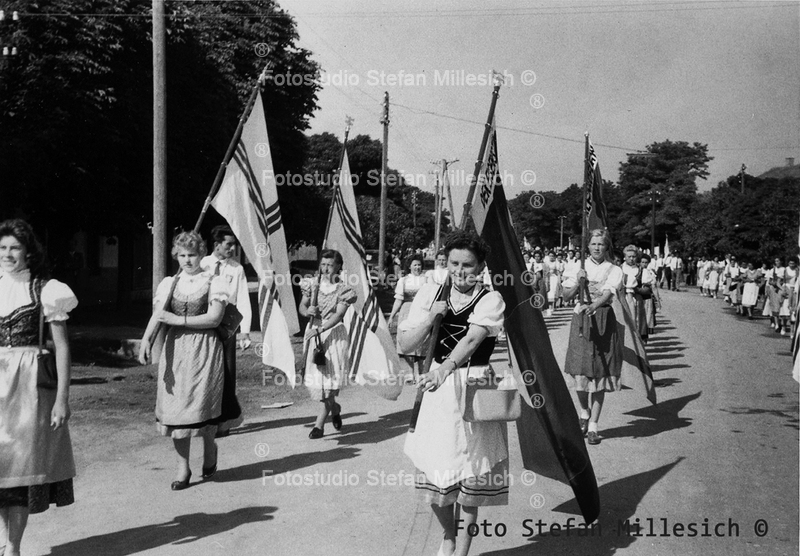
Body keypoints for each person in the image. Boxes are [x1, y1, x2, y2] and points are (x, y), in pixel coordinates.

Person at [399, 231, 507, 556]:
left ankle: (461, 552)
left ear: (481, 267)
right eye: (454, 264)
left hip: (474, 389)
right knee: (435, 473)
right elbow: (405, 344)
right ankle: (448, 533)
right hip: (437, 396)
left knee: (471, 479)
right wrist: (432, 318)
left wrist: (444, 368)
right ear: (446, 262)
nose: (460, 271)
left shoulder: (491, 299)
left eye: (468, 265)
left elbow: (473, 340)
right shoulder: (430, 294)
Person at [0, 220, 78, 556]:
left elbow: (62, 347)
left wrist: (62, 399)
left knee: (20, 469)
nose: (7, 254)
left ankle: (12, 547)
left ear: (28, 250)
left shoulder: (46, 290)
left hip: (28, 392)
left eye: (14, 248)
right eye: (2, 248)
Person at [139, 231, 227, 490]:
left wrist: (179, 321)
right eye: (182, 255)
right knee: (176, 409)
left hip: (204, 349)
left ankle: (210, 448)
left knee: (202, 406)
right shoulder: (169, 283)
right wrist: (146, 339)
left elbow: (214, 319)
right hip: (175, 350)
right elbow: (158, 315)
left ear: (202, 254)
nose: (187, 260)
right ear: (176, 256)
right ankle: (182, 467)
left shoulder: (214, 281)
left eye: (193, 254)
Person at [562, 229, 624, 446]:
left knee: (599, 372)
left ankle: (594, 427)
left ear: (607, 247)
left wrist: (594, 306)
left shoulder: (614, 269)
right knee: (580, 370)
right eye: (593, 244)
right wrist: (579, 282)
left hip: (603, 319)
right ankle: (584, 412)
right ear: (587, 246)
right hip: (581, 321)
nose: (597, 248)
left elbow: (608, 294)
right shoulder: (576, 267)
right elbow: (566, 295)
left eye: (601, 244)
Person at [298, 250, 356, 439]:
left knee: (329, 383)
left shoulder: (343, 290)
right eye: (322, 264)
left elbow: (339, 315)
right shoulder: (312, 285)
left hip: (333, 336)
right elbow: (302, 306)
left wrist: (320, 329)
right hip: (314, 334)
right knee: (319, 381)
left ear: (339, 266)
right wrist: (308, 312)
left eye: (329, 265)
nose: (325, 269)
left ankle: (319, 425)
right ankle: (335, 407)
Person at [201, 226, 250, 437]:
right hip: (205, 323)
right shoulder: (203, 265)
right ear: (216, 245)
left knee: (228, 373)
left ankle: (225, 421)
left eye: (234, 245)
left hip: (228, 325)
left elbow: (243, 300)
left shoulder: (236, 269)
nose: (232, 248)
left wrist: (245, 332)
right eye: (228, 244)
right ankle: (206, 418)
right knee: (207, 370)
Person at [388, 254, 428, 382]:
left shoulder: (426, 279)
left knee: (422, 341)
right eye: (415, 264)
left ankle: (422, 373)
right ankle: (409, 373)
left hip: (422, 311)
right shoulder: (403, 281)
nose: (417, 267)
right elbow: (398, 300)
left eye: (419, 264)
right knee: (405, 341)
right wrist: (392, 316)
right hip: (407, 311)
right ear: (409, 266)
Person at [621, 245, 649, 343]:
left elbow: (648, 289)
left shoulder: (641, 270)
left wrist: (636, 290)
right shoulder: (619, 269)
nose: (632, 259)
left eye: (634, 256)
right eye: (629, 256)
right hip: (622, 300)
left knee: (636, 322)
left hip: (637, 301)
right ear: (625, 256)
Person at [639, 254, 661, 335]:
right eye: (642, 262)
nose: (644, 264)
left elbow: (654, 287)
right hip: (637, 298)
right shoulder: (636, 272)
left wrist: (658, 301)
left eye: (646, 262)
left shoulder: (650, 273)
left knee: (647, 318)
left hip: (647, 298)